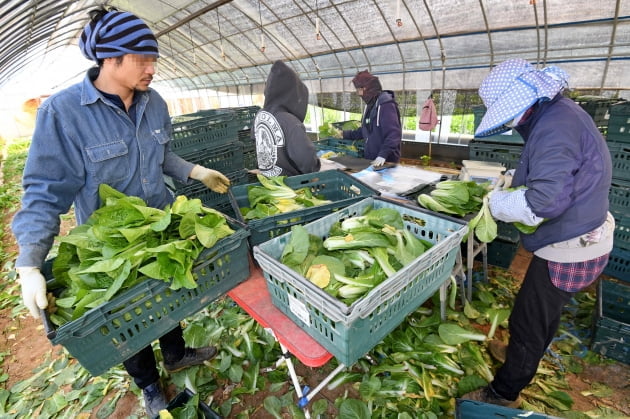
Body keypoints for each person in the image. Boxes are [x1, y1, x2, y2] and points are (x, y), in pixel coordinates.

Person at [11, 7, 231, 417]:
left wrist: (194, 171)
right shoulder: (64, 113)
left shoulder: (155, 102)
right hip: (115, 246)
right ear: (110, 59)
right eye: (142, 60)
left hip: (161, 230)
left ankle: (177, 353)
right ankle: (148, 385)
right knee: (130, 320)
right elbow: (45, 188)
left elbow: (162, 154)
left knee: (169, 296)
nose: (152, 69)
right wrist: (30, 263)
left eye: (154, 60)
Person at [462, 58, 614, 407]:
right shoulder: (560, 114)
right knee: (539, 312)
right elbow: (557, 171)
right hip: (577, 233)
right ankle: (520, 356)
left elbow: (544, 201)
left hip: (570, 245)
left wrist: (499, 205)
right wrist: (515, 179)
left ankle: (504, 393)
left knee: (529, 321)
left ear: (522, 101)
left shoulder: (555, 126)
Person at [253, 60, 321, 177]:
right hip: (290, 185)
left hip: (268, 179)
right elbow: (304, 156)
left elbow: (255, 139)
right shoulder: (291, 122)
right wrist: (315, 166)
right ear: (292, 94)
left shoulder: (260, 115)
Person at [338, 70, 402, 166]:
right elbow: (365, 130)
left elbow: (393, 134)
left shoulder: (386, 105)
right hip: (372, 159)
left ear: (367, 88)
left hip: (386, 161)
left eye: (359, 90)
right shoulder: (370, 105)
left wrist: (383, 155)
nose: (358, 94)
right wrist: (345, 134)